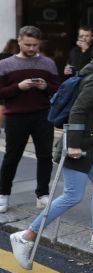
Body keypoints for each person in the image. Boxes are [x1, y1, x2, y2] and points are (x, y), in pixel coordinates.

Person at [9, 42, 93, 269]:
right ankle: (26, 236)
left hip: (91, 143)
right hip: (79, 144)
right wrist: (73, 145)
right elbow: (78, 110)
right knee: (73, 195)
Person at [0, 26, 60, 213]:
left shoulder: (48, 63)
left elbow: (58, 90)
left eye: (35, 45)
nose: (32, 48)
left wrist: (45, 86)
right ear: (19, 41)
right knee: (12, 156)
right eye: (28, 44)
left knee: (45, 155)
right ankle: (3, 194)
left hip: (43, 115)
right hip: (15, 116)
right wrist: (18, 87)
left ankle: (42, 195)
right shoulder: (5, 64)